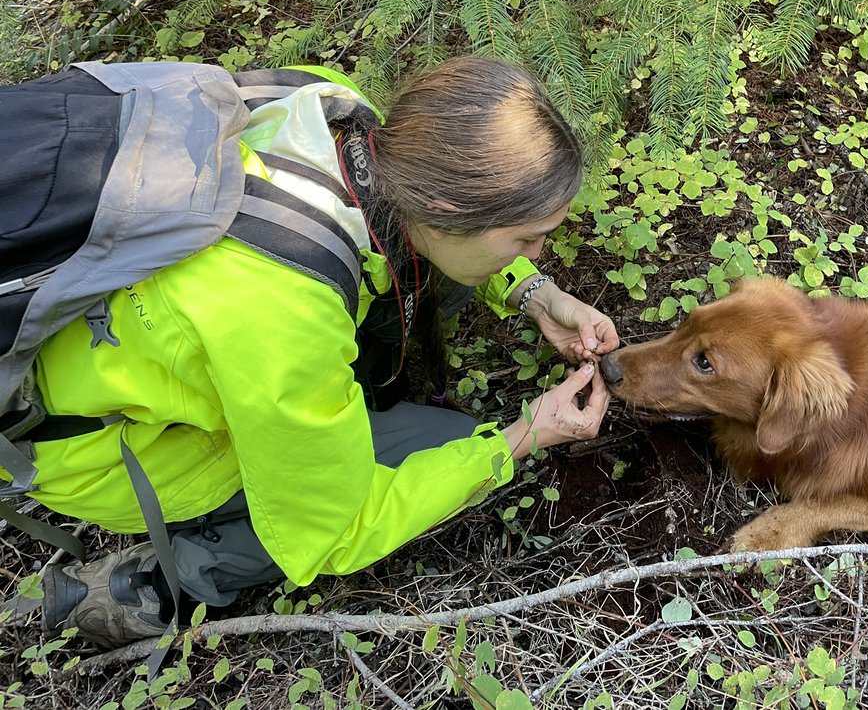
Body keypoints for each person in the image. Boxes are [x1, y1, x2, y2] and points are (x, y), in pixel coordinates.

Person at [1, 55, 617, 648]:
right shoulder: (283, 312)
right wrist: (526, 434)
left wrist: (536, 295)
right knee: (437, 446)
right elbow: (336, 531)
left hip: (139, 354)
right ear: (450, 206)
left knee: (441, 288)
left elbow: (415, 238)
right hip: (98, 451)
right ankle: (166, 573)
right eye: (526, 240)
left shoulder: (334, 107)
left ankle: (314, 424)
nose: (536, 254)